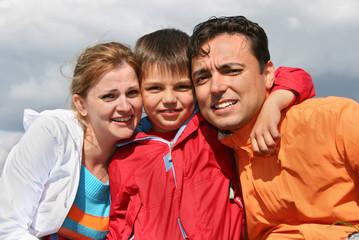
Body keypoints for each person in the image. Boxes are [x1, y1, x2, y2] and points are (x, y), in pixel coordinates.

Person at [107, 28, 314, 239]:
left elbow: (297, 77)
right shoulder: (124, 155)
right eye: (155, 88)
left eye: (181, 86)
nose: (169, 98)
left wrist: (273, 106)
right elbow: (119, 224)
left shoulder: (214, 128)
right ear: (138, 91)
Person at [189, 15, 359, 240]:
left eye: (232, 71)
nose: (216, 87)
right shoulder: (208, 150)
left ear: (268, 74)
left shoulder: (335, 119)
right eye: (202, 78)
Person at [0, 42, 143, 239]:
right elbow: (7, 227)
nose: (125, 106)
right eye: (109, 96)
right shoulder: (53, 133)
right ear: (81, 104)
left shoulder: (143, 153)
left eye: (133, 92)